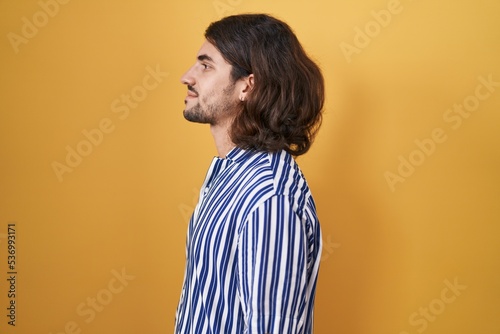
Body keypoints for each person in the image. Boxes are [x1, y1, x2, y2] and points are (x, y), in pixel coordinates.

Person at [175, 13, 324, 334]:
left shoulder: (269, 198)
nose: (187, 77)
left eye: (206, 65)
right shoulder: (229, 173)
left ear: (247, 86)